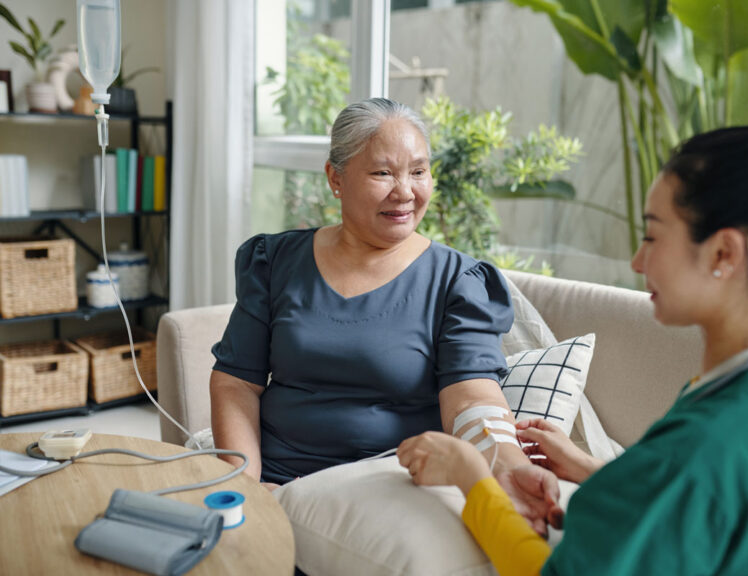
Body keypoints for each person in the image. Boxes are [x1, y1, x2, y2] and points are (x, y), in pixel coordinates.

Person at [398, 126, 748, 575]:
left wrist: (471, 474)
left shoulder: (701, 444)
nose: (637, 262)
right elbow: (702, 519)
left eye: (653, 236)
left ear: (724, 253)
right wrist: (594, 471)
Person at [209, 98, 555, 532]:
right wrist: (248, 486)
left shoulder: (457, 280)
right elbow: (237, 382)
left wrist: (506, 464)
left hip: (388, 489)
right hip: (273, 478)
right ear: (335, 178)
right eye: (383, 173)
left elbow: (472, 397)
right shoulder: (275, 261)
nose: (406, 191)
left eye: (419, 171)